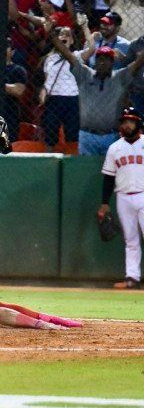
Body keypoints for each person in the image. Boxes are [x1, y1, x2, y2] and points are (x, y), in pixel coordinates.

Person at [51, 36, 144, 156]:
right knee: (86, 167)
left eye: (107, 59)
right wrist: (51, 35)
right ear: (95, 61)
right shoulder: (85, 75)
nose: (102, 62)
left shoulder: (120, 77)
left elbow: (138, 63)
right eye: (99, 58)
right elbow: (69, 56)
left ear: (112, 62)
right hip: (87, 136)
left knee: (110, 167)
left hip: (111, 136)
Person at [99, 107, 144, 290]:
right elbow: (109, 178)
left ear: (139, 124)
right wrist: (104, 203)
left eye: (131, 121)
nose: (127, 125)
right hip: (123, 197)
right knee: (130, 240)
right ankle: (132, 278)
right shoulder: (114, 148)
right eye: (124, 121)